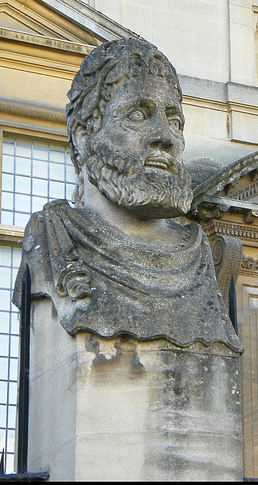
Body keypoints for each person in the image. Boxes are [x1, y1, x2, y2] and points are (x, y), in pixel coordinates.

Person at [13, 38, 243, 353]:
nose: (165, 137)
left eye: (173, 121)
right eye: (137, 115)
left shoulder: (197, 249)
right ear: (84, 137)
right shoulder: (52, 236)